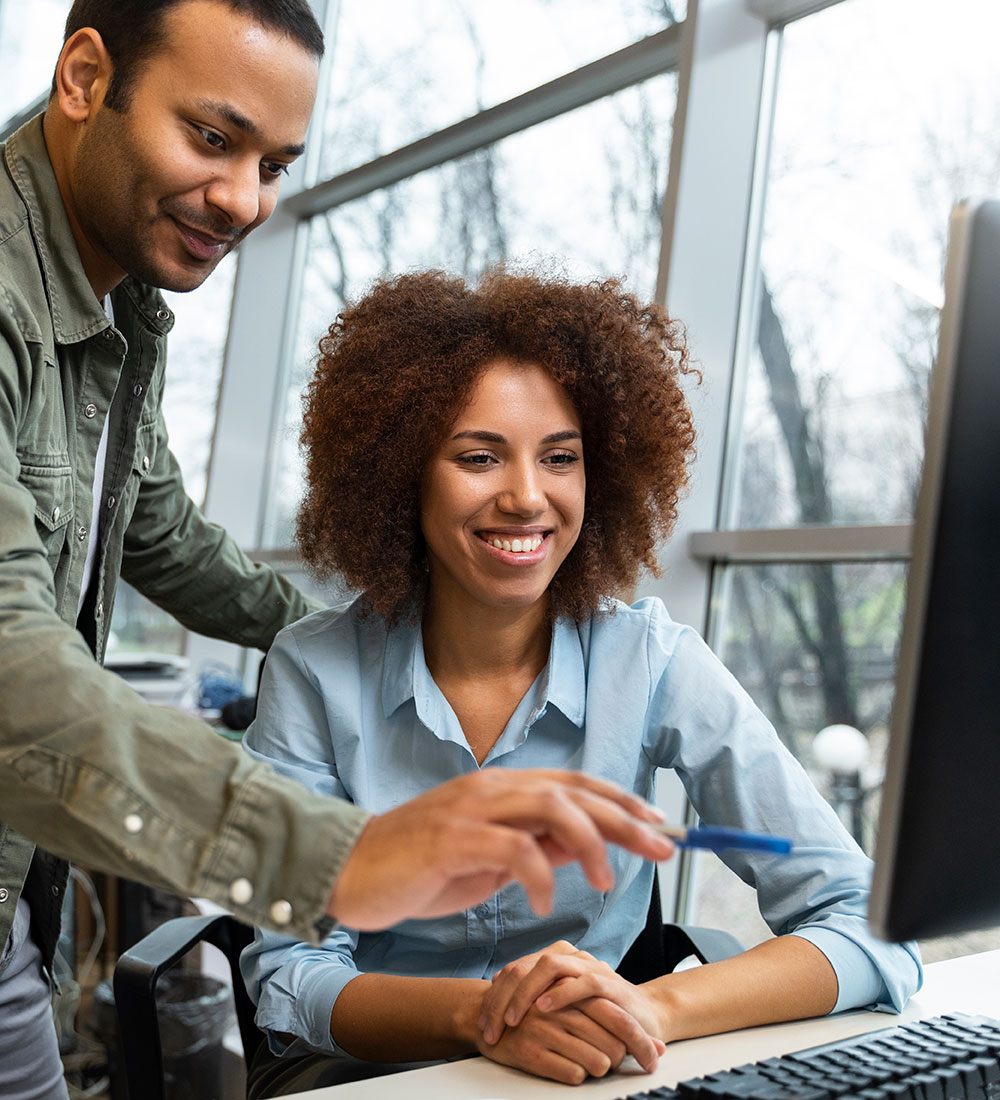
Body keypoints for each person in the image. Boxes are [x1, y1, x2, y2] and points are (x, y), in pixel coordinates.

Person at [0, 4, 674, 1097]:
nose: (246, 201)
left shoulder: (118, 306)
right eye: (213, 140)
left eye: (274, 162)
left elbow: (159, 526)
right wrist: (341, 854)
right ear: (83, 77)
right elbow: (6, 666)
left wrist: (360, 630)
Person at [240, 268, 924, 1095]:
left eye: (559, 458)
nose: (528, 497)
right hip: (375, 1072)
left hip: (594, 1065)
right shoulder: (312, 670)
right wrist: (484, 1015)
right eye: (479, 456)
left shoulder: (654, 660)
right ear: (400, 475)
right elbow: (291, 976)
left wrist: (652, 1010)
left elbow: (866, 924)